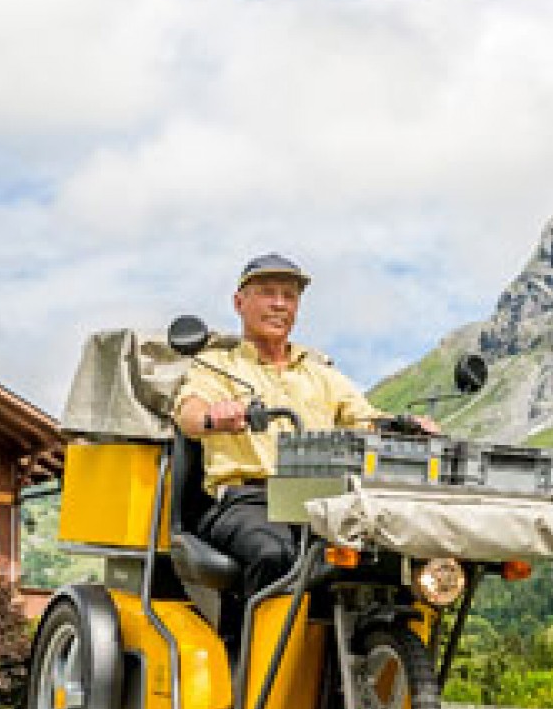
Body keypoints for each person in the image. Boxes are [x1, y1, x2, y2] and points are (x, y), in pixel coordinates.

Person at [173, 253, 434, 603]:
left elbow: (366, 419)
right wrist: (214, 417)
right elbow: (189, 413)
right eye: (267, 292)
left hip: (319, 502)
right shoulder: (217, 366)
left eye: (289, 295)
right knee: (273, 553)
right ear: (239, 302)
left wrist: (409, 426)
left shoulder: (321, 374)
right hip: (246, 501)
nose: (279, 304)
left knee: (393, 556)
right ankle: (248, 650)